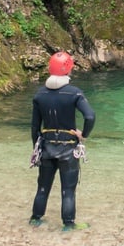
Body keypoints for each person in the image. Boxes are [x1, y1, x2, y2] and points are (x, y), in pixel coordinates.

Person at [29, 51, 96, 231]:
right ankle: (68, 225)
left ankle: (35, 219)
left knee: (43, 187)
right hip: (68, 147)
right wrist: (84, 134)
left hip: (46, 146)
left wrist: (37, 148)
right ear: (68, 70)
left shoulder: (39, 94)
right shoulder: (74, 93)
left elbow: (34, 127)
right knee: (68, 190)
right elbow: (90, 116)